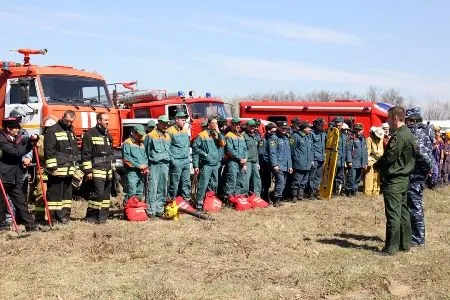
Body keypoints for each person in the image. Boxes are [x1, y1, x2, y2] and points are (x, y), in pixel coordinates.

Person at [375, 106, 416, 255]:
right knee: (403, 211)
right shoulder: (409, 133)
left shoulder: (399, 136)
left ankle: (391, 248)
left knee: (393, 214)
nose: (387, 121)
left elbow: (390, 157)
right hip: (404, 178)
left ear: (394, 118)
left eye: (388, 118)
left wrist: (377, 165)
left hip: (395, 179)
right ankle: (405, 244)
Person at [0, 117, 40, 232]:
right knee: (1, 204)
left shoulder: (16, 137)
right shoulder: (1, 139)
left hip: (15, 177)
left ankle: (30, 225)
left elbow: (24, 140)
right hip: (3, 176)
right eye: (16, 128)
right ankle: (1, 227)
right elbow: (16, 152)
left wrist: (34, 138)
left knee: (21, 202)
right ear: (8, 129)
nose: (18, 130)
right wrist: (30, 146)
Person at [41, 111, 79, 224]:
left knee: (66, 196)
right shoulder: (52, 131)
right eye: (67, 121)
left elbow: (74, 149)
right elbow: (49, 151)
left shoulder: (71, 131)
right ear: (62, 118)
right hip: (57, 170)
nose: (69, 123)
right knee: (55, 196)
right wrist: (53, 168)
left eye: (71, 122)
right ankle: (54, 218)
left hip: (69, 169)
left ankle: (65, 216)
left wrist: (75, 166)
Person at [405, 107, 434, 247]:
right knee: (414, 206)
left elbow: (422, 155)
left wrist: (426, 170)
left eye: (408, 119)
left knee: (415, 207)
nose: (407, 122)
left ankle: (417, 239)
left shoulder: (417, 133)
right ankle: (415, 237)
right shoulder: (423, 131)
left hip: (415, 175)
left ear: (414, 119)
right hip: (416, 174)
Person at [82, 113, 115, 224]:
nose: (107, 122)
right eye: (105, 120)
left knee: (106, 196)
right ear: (99, 121)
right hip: (96, 169)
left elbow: (111, 153)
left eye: (108, 120)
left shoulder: (107, 135)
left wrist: (113, 168)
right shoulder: (89, 134)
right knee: (98, 193)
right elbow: (85, 154)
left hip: (108, 170)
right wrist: (88, 171)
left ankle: (102, 218)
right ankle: (91, 217)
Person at [192, 116, 226, 211]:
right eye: (214, 123)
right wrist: (204, 155)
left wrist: (219, 132)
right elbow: (195, 149)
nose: (215, 125)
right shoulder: (202, 135)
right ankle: (199, 205)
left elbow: (223, 144)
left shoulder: (217, 135)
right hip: (206, 165)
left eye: (216, 123)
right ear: (209, 124)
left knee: (214, 185)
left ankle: (209, 203)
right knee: (203, 184)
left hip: (215, 164)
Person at [144, 115, 172, 217]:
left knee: (162, 187)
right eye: (164, 123)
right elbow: (145, 152)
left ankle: (159, 209)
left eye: (167, 124)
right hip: (154, 165)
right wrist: (146, 166)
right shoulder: (150, 135)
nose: (165, 125)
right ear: (158, 123)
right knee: (152, 187)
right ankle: (151, 211)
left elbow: (169, 150)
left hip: (165, 164)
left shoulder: (168, 136)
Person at [167, 112, 191, 203]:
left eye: (185, 120)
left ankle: (186, 201)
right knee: (174, 184)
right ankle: (171, 202)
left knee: (186, 182)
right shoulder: (170, 131)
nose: (184, 122)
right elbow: (167, 148)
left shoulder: (184, 131)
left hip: (186, 160)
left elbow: (187, 145)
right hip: (176, 161)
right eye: (182, 120)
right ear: (176, 120)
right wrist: (173, 161)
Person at [268, 121, 293, 207]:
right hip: (278, 165)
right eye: (282, 128)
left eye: (285, 128)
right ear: (278, 128)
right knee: (280, 182)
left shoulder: (286, 138)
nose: (284, 130)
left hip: (285, 165)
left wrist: (290, 165)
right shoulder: (274, 138)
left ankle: (278, 198)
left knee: (283, 182)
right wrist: (274, 164)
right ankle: (276, 199)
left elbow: (288, 153)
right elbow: (272, 152)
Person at [122, 124, 147, 202]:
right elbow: (126, 159)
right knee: (131, 193)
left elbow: (145, 157)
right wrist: (138, 166)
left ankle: (135, 212)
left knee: (139, 194)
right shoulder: (127, 143)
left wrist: (146, 166)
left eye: (142, 135)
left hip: (141, 173)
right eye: (139, 134)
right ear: (133, 132)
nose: (140, 136)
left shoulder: (142, 144)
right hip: (132, 173)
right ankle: (127, 211)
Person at [224, 118, 248, 199]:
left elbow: (245, 149)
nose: (238, 126)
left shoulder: (241, 136)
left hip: (241, 162)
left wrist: (245, 159)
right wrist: (240, 158)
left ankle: (237, 198)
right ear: (231, 125)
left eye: (238, 124)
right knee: (231, 180)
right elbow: (229, 150)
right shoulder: (228, 136)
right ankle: (229, 199)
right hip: (233, 162)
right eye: (235, 124)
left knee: (240, 180)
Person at [290, 121, 313, 202]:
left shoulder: (308, 137)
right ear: (304, 129)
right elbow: (292, 150)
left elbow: (310, 150)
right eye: (308, 128)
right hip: (299, 163)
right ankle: (294, 196)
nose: (310, 129)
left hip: (308, 163)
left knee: (304, 181)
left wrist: (311, 160)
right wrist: (296, 159)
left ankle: (300, 196)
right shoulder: (295, 136)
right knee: (297, 180)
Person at [346, 123, 368, 197]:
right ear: (355, 130)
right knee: (351, 177)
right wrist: (349, 161)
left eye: (360, 130)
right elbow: (348, 150)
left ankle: (355, 190)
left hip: (361, 163)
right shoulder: (352, 139)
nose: (358, 131)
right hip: (353, 162)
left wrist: (365, 162)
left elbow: (365, 152)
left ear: (363, 130)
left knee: (358, 178)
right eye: (357, 130)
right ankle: (349, 190)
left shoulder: (364, 139)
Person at [242, 119, 261, 197]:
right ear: (247, 126)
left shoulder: (255, 136)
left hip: (254, 161)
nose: (253, 128)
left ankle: (257, 196)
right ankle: (244, 196)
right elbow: (242, 150)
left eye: (254, 126)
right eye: (251, 126)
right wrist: (244, 164)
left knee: (257, 179)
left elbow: (256, 150)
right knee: (246, 180)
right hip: (247, 161)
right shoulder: (243, 135)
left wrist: (257, 163)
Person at [332, 117, 350, 196]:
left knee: (340, 176)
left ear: (342, 125)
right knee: (332, 176)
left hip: (342, 160)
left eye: (339, 125)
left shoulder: (344, 135)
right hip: (334, 159)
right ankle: (331, 191)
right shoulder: (331, 134)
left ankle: (337, 191)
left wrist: (348, 160)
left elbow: (347, 149)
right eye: (336, 125)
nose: (338, 127)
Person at [259, 122, 276, 202]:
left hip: (269, 164)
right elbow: (261, 153)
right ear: (269, 131)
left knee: (268, 182)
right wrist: (266, 163)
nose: (274, 133)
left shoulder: (271, 139)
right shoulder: (264, 140)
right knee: (265, 182)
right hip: (264, 165)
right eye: (273, 131)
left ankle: (266, 196)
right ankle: (264, 197)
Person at [364, 127, 384, 196]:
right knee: (369, 176)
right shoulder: (369, 140)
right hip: (371, 160)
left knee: (377, 177)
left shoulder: (381, 139)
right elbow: (367, 152)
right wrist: (368, 162)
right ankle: (368, 193)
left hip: (379, 160)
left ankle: (376, 192)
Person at [309, 118, 326, 199]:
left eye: (323, 125)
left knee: (318, 176)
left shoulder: (323, 134)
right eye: (321, 125)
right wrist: (311, 159)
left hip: (321, 158)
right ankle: (310, 192)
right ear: (316, 125)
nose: (322, 126)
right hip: (314, 158)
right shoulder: (311, 134)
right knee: (312, 176)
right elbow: (310, 147)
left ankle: (316, 191)